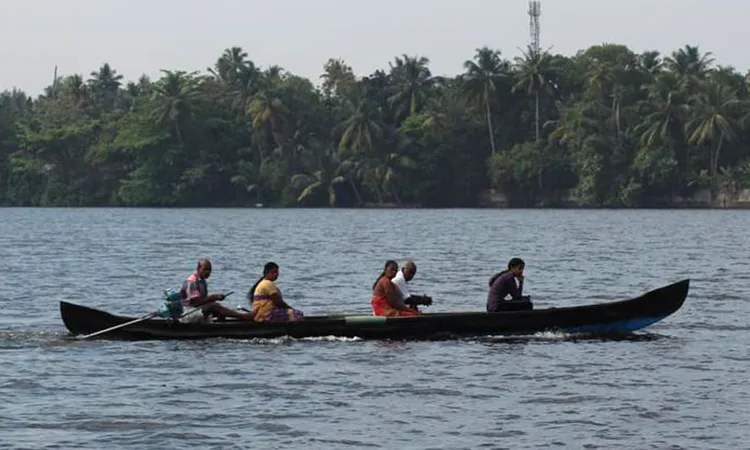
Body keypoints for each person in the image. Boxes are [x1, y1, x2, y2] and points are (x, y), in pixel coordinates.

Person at [180, 259, 254, 323]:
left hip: (196, 310)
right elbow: (195, 302)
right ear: (198, 268)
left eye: (209, 270)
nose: (208, 272)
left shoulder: (202, 281)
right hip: (188, 313)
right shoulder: (192, 281)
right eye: (205, 269)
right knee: (214, 306)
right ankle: (244, 316)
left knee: (218, 308)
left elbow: (202, 302)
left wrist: (214, 299)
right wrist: (213, 297)